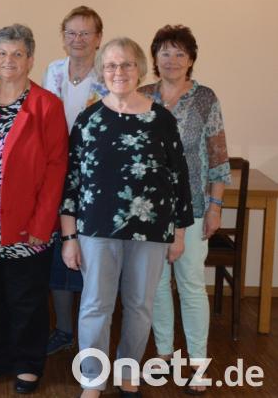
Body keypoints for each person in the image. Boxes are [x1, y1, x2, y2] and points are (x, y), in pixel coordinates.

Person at [60, 37, 193, 398]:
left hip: (150, 230)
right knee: (94, 305)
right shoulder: (88, 120)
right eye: (111, 66)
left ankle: (128, 369)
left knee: (139, 306)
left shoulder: (161, 119)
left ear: (140, 69)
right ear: (102, 72)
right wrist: (69, 236)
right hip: (96, 230)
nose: (119, 72)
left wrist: (179, 232)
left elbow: (178, 177)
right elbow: (71, 179)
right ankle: (93, 378)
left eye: (127, 64)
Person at [0, 24, 68, 394]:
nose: (9, 60)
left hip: (25, 223)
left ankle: (28, 364)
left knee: (26, 299)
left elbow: (56, 168)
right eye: (3, 53)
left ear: (30, 60)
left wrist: (43, 221)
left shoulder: (46, 105)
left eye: (17, 54)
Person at [140, 25, 230, 395]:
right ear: (155, 58)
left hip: (192, 207)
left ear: (191, 59)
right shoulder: (141, 96)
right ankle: (163, 354)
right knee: (157, 285)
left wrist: (215, 207)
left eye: (179, 53)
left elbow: (218, 158)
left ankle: (197, 361)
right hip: (150, 210)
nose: (171, 60)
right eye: (164, 52)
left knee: (190, 284)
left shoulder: (206, 98)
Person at [40, 6, 107, 356]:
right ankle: (64, 330)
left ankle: (90, 336)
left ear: (98, 38)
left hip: (96, 180)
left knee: (93, 256)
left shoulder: (109, 75)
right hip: (54, 175)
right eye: (71, 33)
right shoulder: (52, 71)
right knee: (59, 253)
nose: (78, 40)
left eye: (85, 33)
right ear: (63, 38)